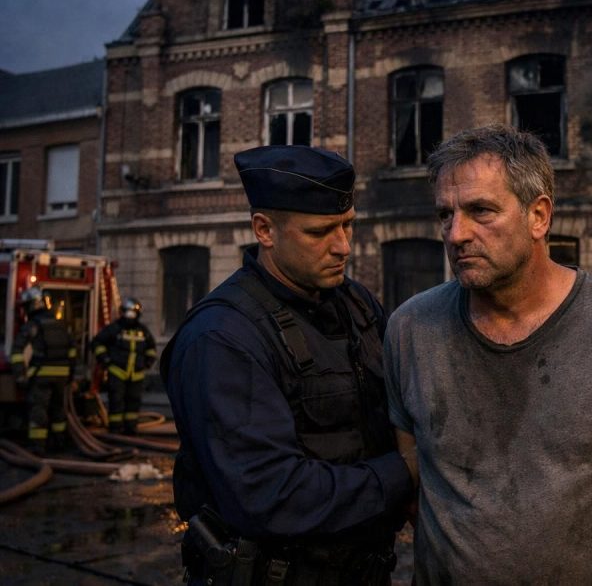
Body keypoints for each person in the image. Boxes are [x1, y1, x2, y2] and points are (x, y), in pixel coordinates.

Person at [384, 124, 592, 583]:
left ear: (539, 216)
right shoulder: (410, 329)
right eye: (445, 215)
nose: (456, 234)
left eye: (480, 211)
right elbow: (414, 481)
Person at [161, 145, 414, 584]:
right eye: (319, 233)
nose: (343, 247)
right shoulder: (223, 337)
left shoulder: (356, 304)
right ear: (265, 230)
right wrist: (407, 471)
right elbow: (271, 495)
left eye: (348, 226)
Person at [10, 287, 78, 454]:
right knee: (58, 410)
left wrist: (20, 375)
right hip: (62, 376)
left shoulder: (32, 326)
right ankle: (59, 443)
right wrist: (70, 374)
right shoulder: (61, 324)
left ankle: (38, 447)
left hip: (41, 375)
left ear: (32, 305)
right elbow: (72, 350)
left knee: (38, 410)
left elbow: (17, 351)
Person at [91, 297, 157, 434]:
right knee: (116, 401)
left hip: (137, 374)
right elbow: (97, 343)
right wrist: (105, 359)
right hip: (117, 372)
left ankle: (130, 428)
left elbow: (151, 347)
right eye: (129, 313)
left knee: (133, 403)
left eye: (133, 313)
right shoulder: (114, 328)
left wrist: (149, 361)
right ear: (123, 313)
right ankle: (115, 429)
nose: (131, 316)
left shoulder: (143, 331)